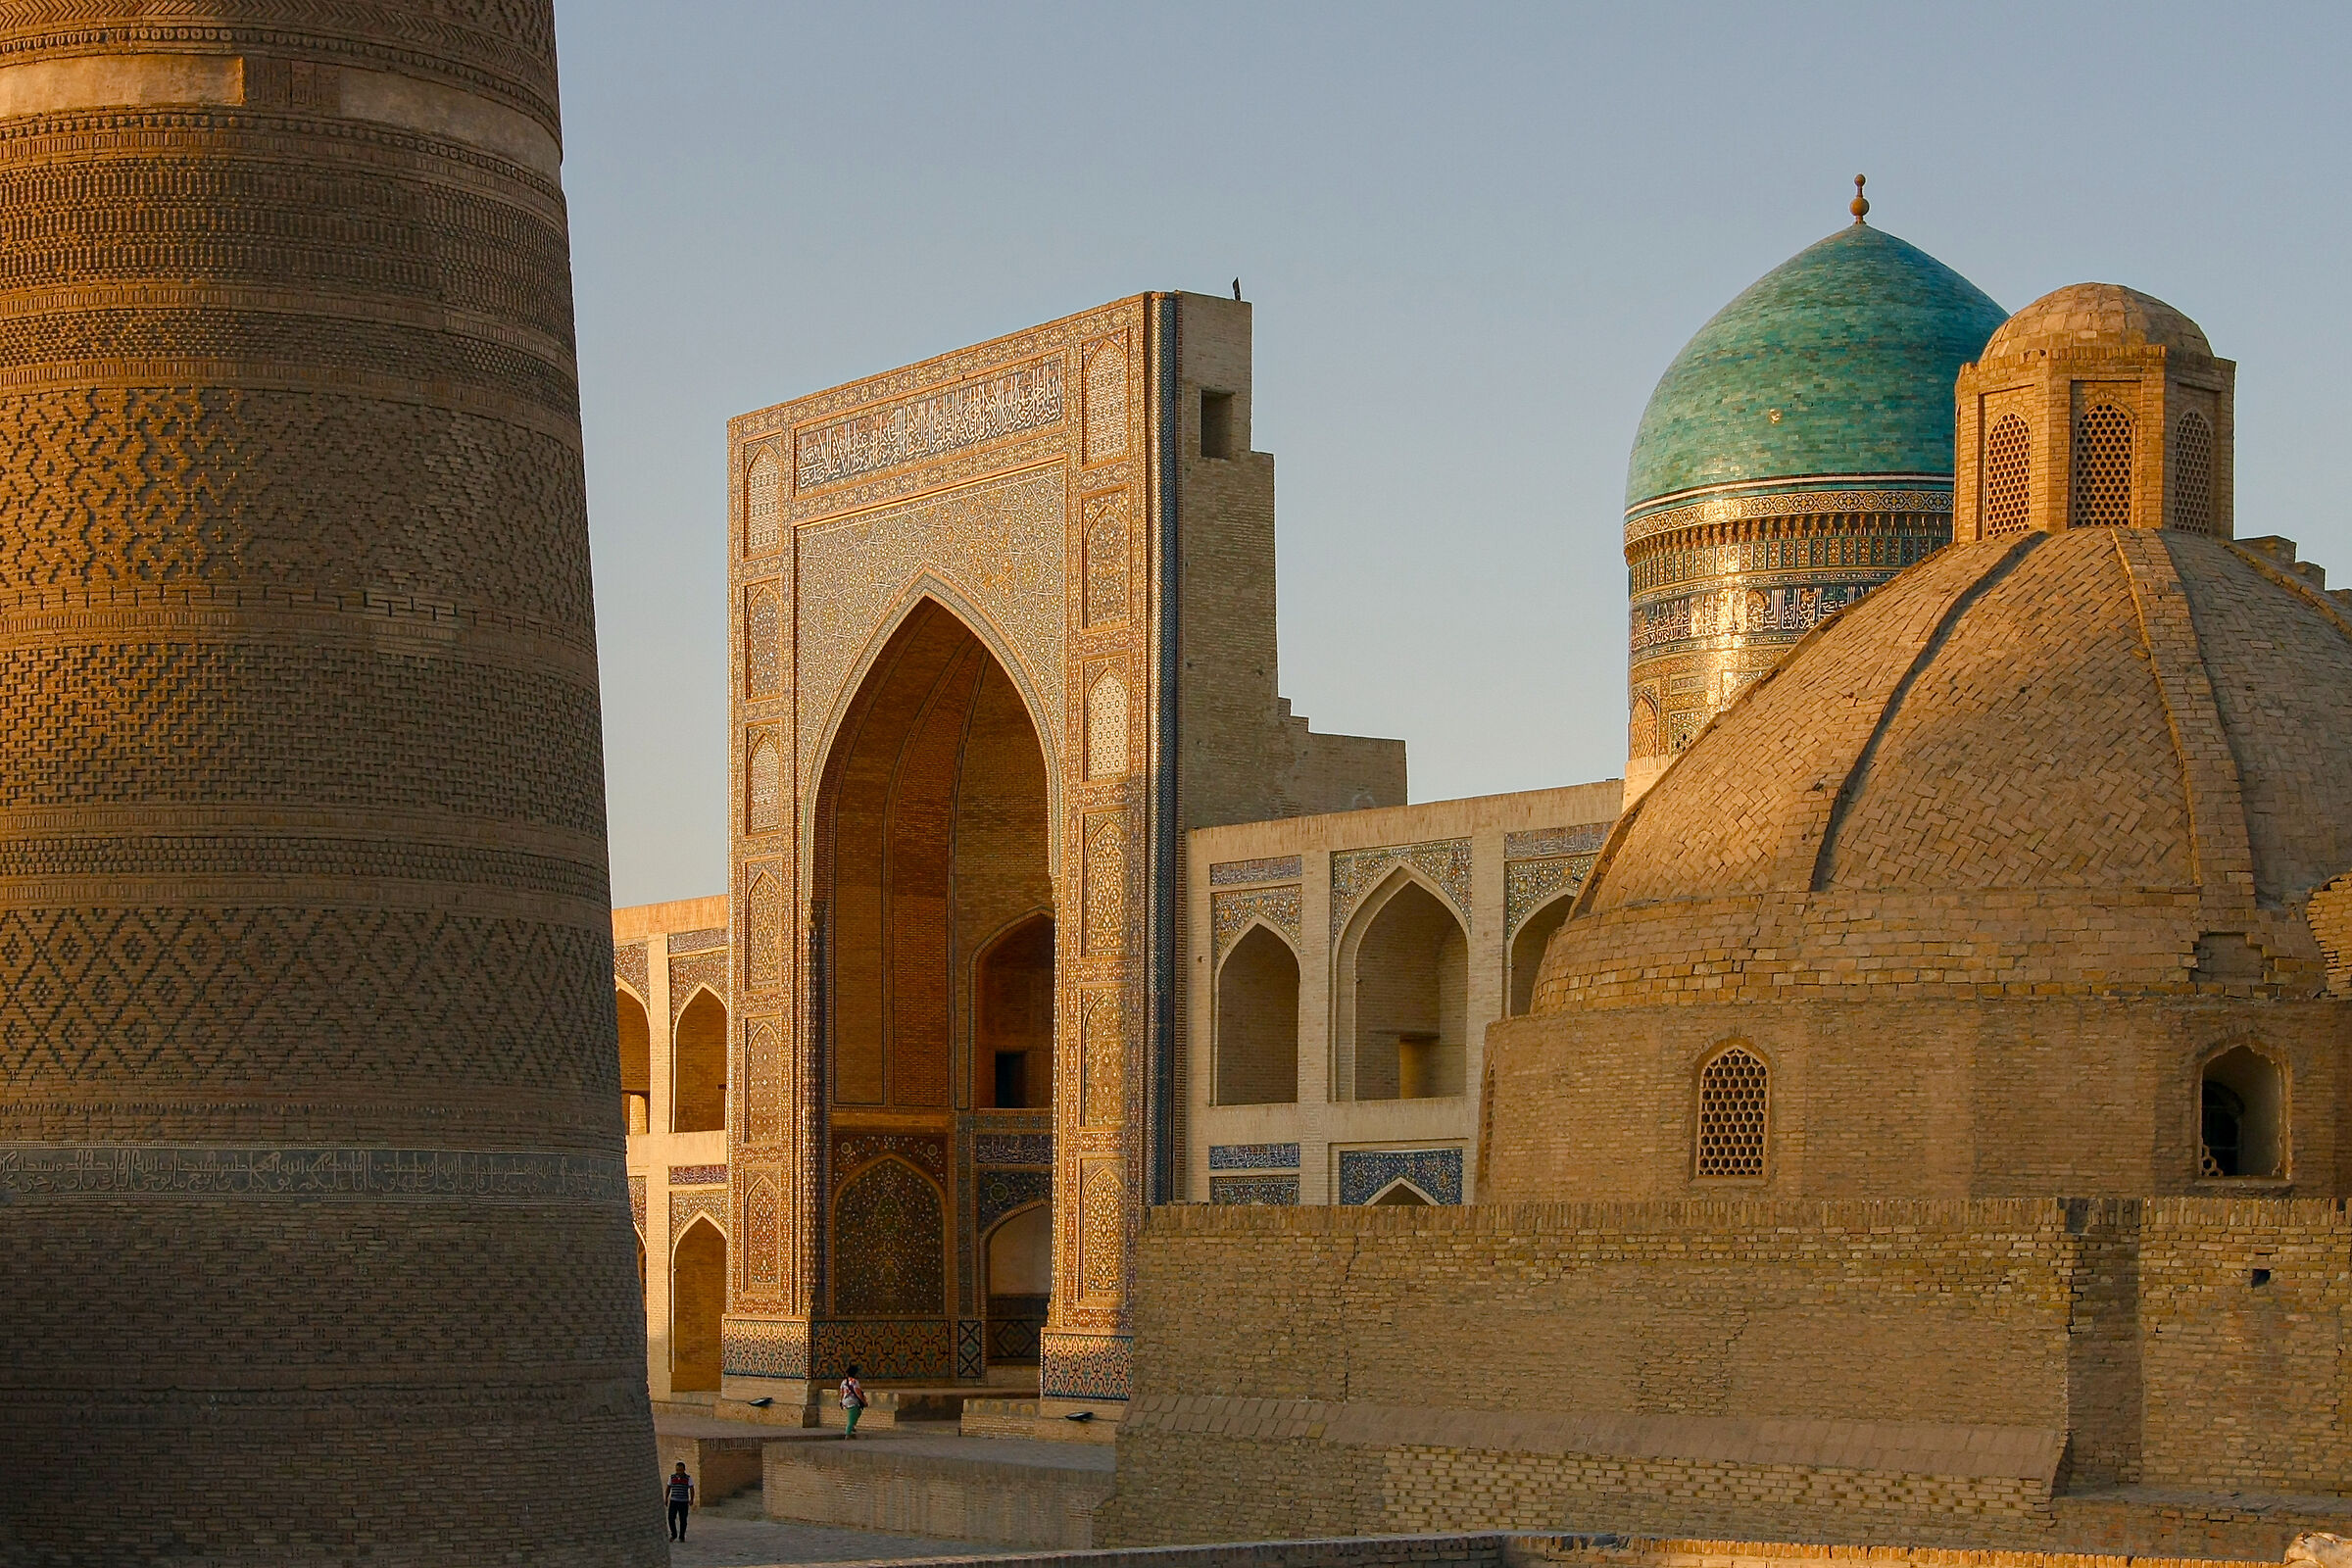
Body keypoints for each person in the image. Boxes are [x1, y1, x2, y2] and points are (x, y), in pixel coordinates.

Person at [664, 1462, 695, 1542]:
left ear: (684, 1470)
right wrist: (666, 1498)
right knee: (671, 1518)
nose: (679, 1472)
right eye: (677, 1470)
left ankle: (682, 1536)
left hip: (683, 1502)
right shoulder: (672, 1477)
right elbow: (668, 1488)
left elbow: (691, 1489)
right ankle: (674, 1534)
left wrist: (692, 1499)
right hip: (674, 1501)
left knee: (683, 1519)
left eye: (680, 1470)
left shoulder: (688, 1478)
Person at [839, 1364, 865, 1440]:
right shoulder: (855, 1381)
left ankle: (852, 1425)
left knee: (858, 1412)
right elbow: (858, 1392)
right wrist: (863, 1401)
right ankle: (848, 1434)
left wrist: (841, 1401)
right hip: (852, 1401)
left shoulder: (844, 1382)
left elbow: (841, 1392)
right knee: (851, 1418)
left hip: (845, 1401)